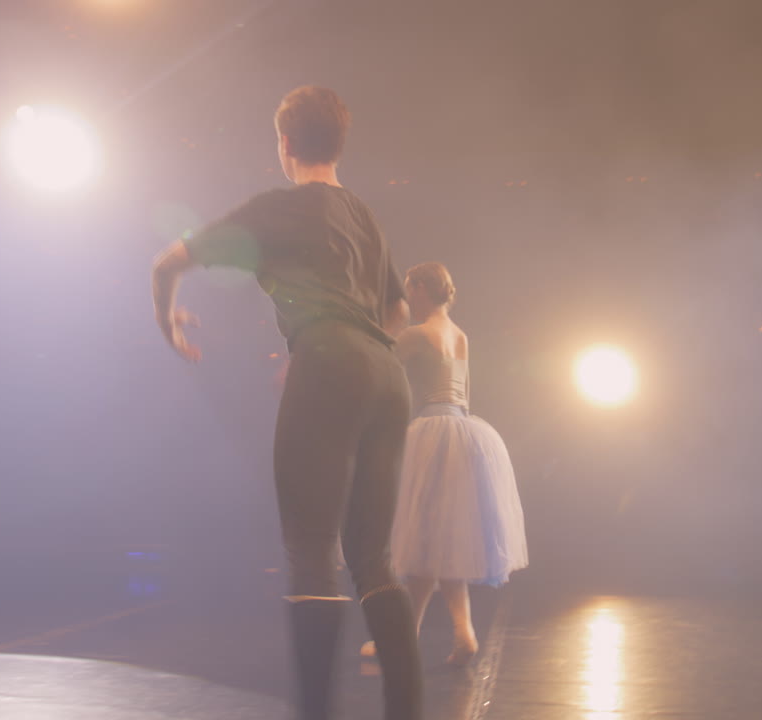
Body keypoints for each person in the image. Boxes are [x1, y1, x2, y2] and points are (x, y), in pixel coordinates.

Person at [151, 87, 422, 720]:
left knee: (311, 559)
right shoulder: (364, 215)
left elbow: (168, 264)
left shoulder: (276, 207)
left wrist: (169, 324)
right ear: (339, 143)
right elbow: (399, 311)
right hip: (387, 375)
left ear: (285, 145)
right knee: (374, 563)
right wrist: (355, 350)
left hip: (330, 363)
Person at [381, 262, 528, 665]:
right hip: (465, 431)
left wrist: (390, 326)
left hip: (432, 431)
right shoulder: (460, 335)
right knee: (441, 544)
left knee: (427, 542)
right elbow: (465, 393)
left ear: (421, 288)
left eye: (411, 288)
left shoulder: (416, 334)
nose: (408, 295)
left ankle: (407, 638)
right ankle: (460, 634)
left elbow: (380, 365)